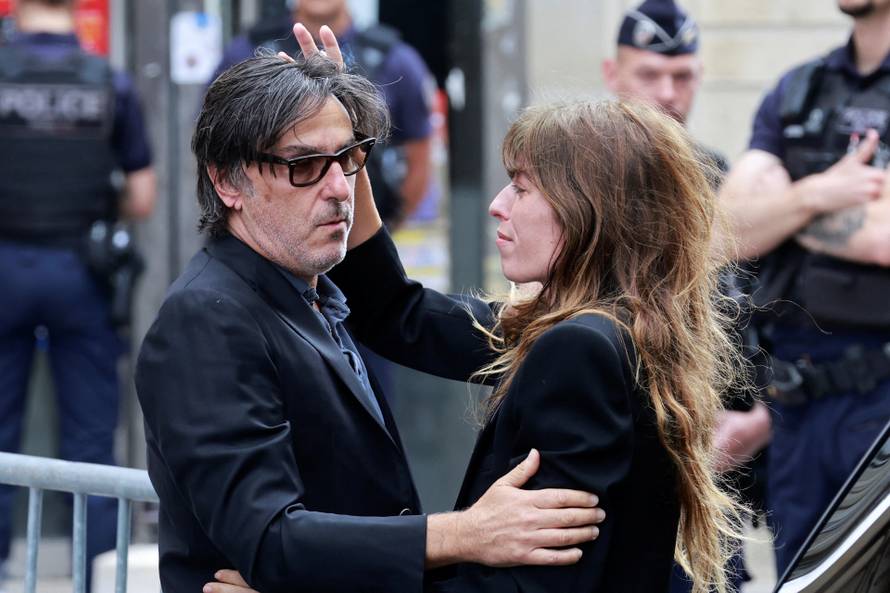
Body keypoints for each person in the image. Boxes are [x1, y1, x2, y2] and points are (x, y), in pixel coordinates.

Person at [208, 35, 745, 593]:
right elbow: (397, 313)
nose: (497, 204)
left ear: (590, 211)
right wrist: (345, 153)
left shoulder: (581, 347)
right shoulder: (609, 326)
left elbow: (525, 588)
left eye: (522, 187)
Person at [135, 40, 605, 593]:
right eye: (305, 165)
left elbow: (394, 310)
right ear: (228, 181)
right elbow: (268, 538)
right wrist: (467, 533)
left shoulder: (309, 292)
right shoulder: (207, 319)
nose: (340, 188)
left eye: (349, 158)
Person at [604, 3, 771, 590]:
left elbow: (755, 309)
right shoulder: (580, 177)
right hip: (617, 459)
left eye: (683, 76)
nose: (668, 94)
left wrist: (762, 418)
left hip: (712, 470)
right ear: (612, 74)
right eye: (649, 75)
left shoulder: (715, 175)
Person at [720, 0, 890, 576]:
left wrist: (781, 208)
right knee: (800, 581)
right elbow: (725, 230)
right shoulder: (798, 90)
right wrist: (819, 195)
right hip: (794, 403)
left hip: (880, 400)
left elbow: (882, 238)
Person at [0, 0, 155, 585]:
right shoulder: (109, 83)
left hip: (4, 268)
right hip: (81, 273)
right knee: (90, 441)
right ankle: (95, 577)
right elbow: (142, 197)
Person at [212, 0, 433, 230]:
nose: (336, 185)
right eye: (304, 163)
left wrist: (376, 235)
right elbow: (215, 145)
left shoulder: (396, 60)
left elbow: (419, 158)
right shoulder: (247, 51)